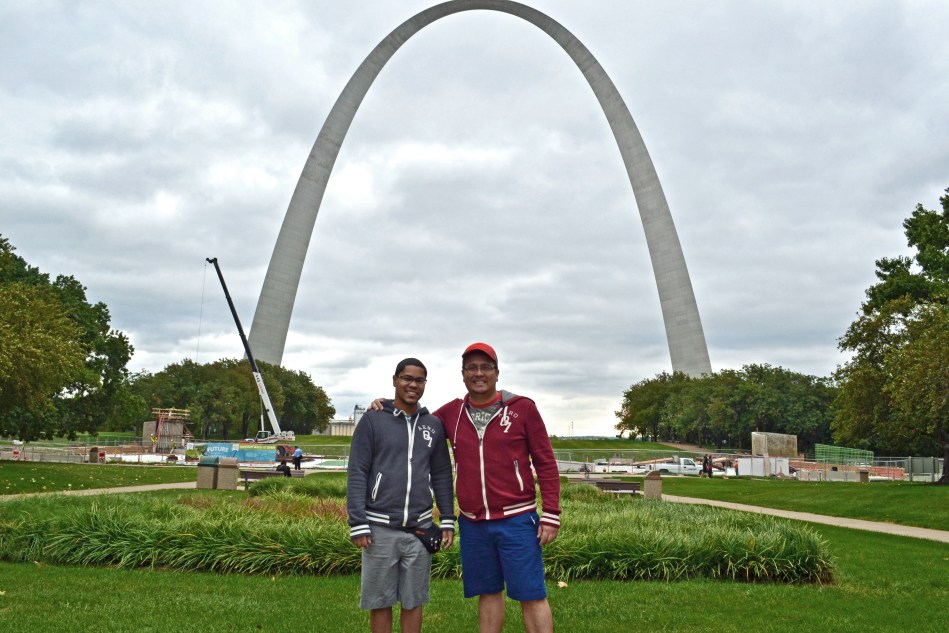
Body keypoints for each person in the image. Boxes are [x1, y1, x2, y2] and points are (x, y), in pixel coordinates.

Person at [371, 342, 561, 633]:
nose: (478, 373)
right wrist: (385, 406)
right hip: (474, 523)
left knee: (531, 593)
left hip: (518, 519)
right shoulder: (452, 413)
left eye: (485, 367)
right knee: (488, 592)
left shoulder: (522, 409)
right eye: (471, 368)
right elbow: (413, 419)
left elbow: (546, 463)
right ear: (463, 375)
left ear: (497, 373)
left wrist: (551, 513)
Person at [347, 358, 455, 633]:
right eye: (407, 378)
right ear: (394, 380)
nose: (413, 385)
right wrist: (357, 521)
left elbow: (442, 474)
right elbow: (358, 471)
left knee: (413, 601)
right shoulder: (373, 419)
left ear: (425, 385)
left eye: (419, 380)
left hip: (419, 529)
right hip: (379, 528)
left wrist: (447, 518)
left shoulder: (433, 424)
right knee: (380, 602)